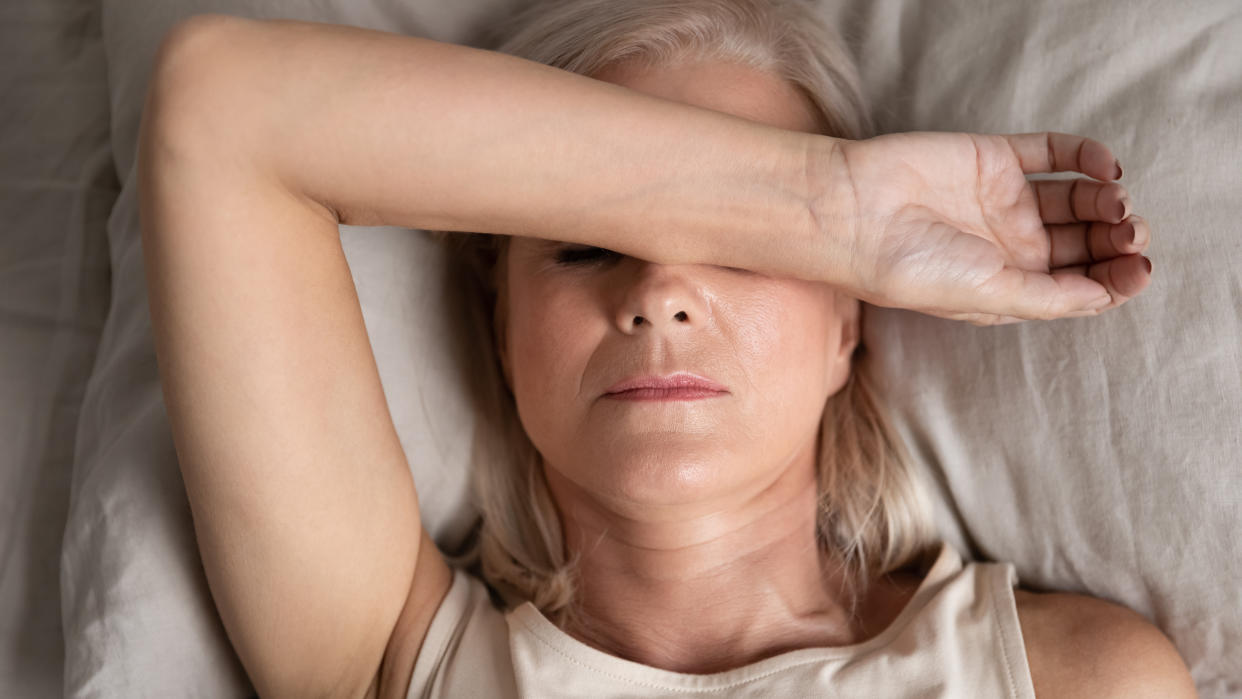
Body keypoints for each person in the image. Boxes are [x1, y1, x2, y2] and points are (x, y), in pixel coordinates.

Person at [136, 1, 1190, 697]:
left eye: (743, 251)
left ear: (849, 321)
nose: (659, 296)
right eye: (585, 250)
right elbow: (219, 106)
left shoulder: (1071, 680)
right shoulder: (393, 659)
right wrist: (820, 202)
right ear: (499, 324)